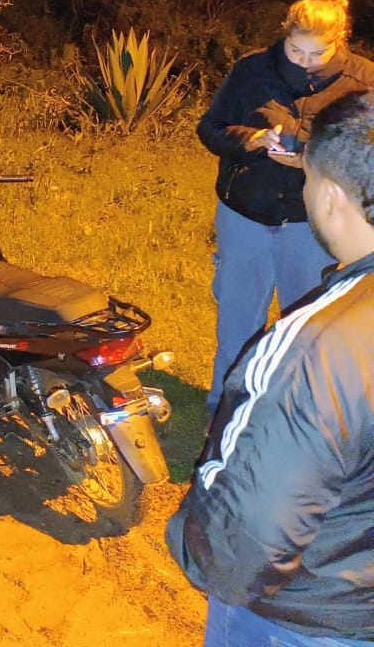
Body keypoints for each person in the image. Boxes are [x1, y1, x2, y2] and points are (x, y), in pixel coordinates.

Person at [168, 90, 374, 646]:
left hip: (307, 620)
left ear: (329, 196)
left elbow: (243, 544)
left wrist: (189, 542)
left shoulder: (314, 349)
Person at [196, 0, 374, 411]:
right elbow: (210, 128)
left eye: (318, 54)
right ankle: (225, 412)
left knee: (304, 328)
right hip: (245, 214)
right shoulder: (252, 69)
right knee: (238, 324)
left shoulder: (364, 80)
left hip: (312, 224)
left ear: (339, 41)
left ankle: (288, 416)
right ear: (285, 34)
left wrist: (313, 161)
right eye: (297, 51)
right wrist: (251, 139)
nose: (306, 63)